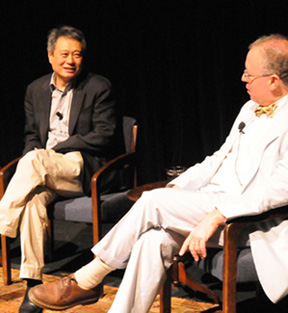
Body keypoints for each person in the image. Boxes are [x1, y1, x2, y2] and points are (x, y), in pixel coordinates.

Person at [28, 34, 288, 312]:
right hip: (210, 203)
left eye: (249, 74)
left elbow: (280, 189)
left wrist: (218, 214)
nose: (242, 79)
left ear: (273, 80)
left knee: (152, 201)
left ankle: (87, 279)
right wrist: (176, 190)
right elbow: (216, 160)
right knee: (153, 241)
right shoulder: (249, 108)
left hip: (247, 220)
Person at [0, 26, 121, 313]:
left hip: (81, 167)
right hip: (44, 170)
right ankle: (33, 284)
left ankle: (2, 222)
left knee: (33, 159)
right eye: (64, 54)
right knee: (31, 201)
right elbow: (31, 135)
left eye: (77, 55)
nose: (71, 60)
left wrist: (61, 147)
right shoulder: (36, 89)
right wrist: (38, 153)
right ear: (50, 56)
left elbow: (105, 134)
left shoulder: (97, 86)